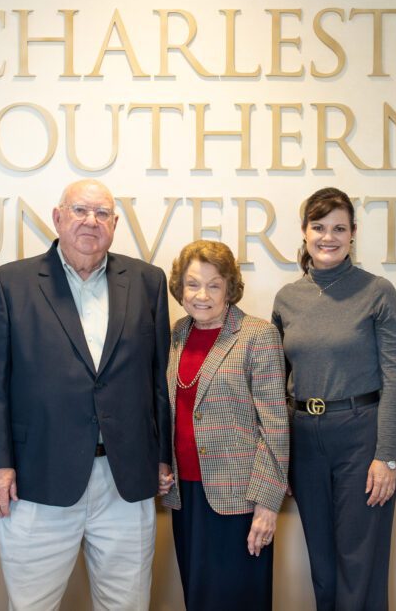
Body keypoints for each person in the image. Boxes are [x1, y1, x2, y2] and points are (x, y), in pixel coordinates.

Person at [0, 179, 172, 611]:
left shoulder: (147, 281)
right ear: (58, 217)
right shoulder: (11, 283)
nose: (91, 221)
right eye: (80, 210)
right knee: (31, 606)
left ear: (115, 224)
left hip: (125, 481)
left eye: (102, 214)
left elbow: (157, 379)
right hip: (35, 478)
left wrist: (162, 455)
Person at [272, 187, 396, 611]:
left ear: (353, 234)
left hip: (361, 436)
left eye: (338, 228)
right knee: (324, 564)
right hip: (305, 438)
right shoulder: (286, 299)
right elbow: (277, 383)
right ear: (304, 232)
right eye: (318, 227)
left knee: (359, 560)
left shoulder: (377, 292)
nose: (327, 237)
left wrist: (386, 456)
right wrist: (281, 457)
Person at [162, 240, 289, 610]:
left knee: (237, 599)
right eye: (192, 284)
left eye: (214, 284)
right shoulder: (175, 334)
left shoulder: (257, 335)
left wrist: (267, 505)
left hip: (240, 500)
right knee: (198, 597)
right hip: (186, 494)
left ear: (230, 288)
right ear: (179, 288)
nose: (202, 295)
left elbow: (275, 427)